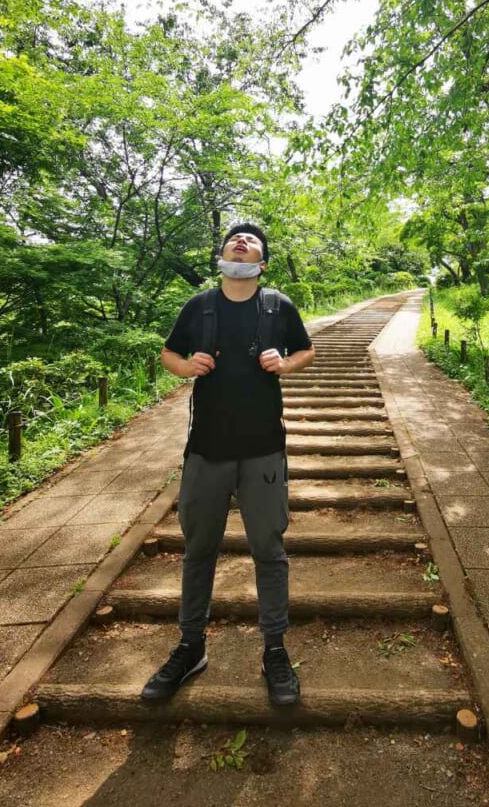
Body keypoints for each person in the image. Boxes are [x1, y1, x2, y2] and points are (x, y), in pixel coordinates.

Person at [141, 223, 315, 706]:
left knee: (268, 549)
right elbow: (168, 353)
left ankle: (274, 650)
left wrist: (286, 363)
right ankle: (190, 646)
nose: (240, 241)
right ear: (221, 256)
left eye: (251, 240)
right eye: (233, 239)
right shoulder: (199, 306)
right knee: (199, 550)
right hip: (205, 450)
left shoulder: (278, 306)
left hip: (263, 449)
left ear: (261, 263)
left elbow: (307, 350)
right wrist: (185, 367)